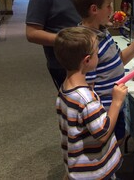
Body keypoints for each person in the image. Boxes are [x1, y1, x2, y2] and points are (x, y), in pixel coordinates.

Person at [73, 0, 134, 143]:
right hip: (103, 112)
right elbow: (86, 91)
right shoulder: (88, 44)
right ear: (94, 9)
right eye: (108, 6)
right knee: (108, 150)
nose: (112, 10)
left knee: (118, 141)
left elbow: (119, 60)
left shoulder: (102, 33)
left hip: (114, 105)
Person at [54, 26, 127, 179]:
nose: (98, 56)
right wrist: (116, 101)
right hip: (94, 172)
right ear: (87, 60)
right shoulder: (86, 99)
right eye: (96, 53)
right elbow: (103, 133)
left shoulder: (65, 88)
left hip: (77, 167)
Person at [25, 0, 91, 90]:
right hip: (63, 64)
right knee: (75, 105)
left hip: (86, 59)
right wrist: (68, 40)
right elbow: (32, 33)